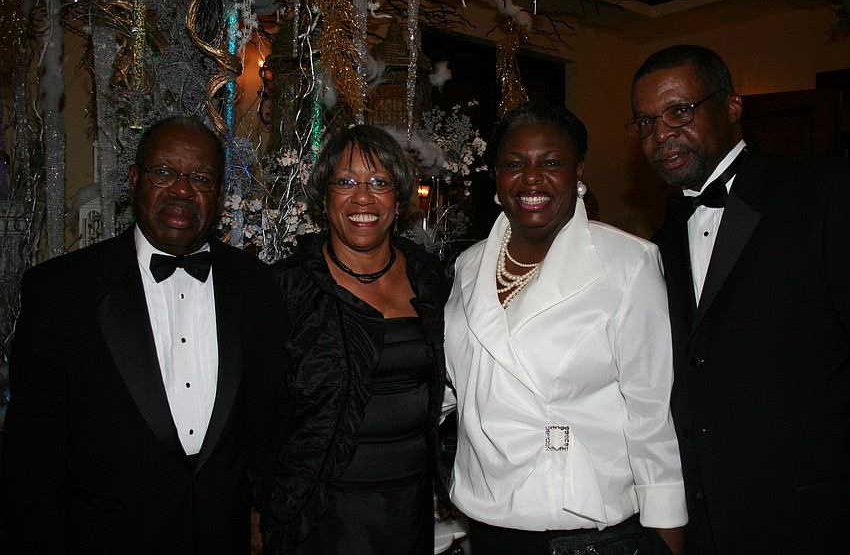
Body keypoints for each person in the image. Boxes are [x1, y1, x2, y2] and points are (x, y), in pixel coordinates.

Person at [0, 116, 291, 553]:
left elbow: (270, 425)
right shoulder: (62, 292)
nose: (182, 190)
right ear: (135, 179)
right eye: (164, 172)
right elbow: (32, 457)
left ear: (218, 193)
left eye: (201, 178)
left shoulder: (257, 286)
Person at [629, 45, 850, 554]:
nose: (661, 134)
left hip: (813, 520)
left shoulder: (825, 192)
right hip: (704, 524)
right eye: (645, 122)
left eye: (679, 111)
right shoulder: (660, 243)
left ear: (731, 106)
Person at [444, 102, 687, 555]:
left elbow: (651, 412)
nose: (531, 178)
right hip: (490, 517)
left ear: (578, 171)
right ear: (496, 176)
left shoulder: (628, 263)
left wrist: (668, 531)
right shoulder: (468, 266)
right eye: (515, 164)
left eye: (551, 163)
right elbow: (462, 382)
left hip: (585, 526)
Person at [260, 125, 449, 555]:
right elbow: (256, 414)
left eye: (379, 183)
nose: (363, 198)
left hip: (409, 512)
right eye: (345, 181)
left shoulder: (429, 276)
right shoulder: (285, 288)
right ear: (324, 198)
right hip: (320, 517)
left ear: (398, 199)